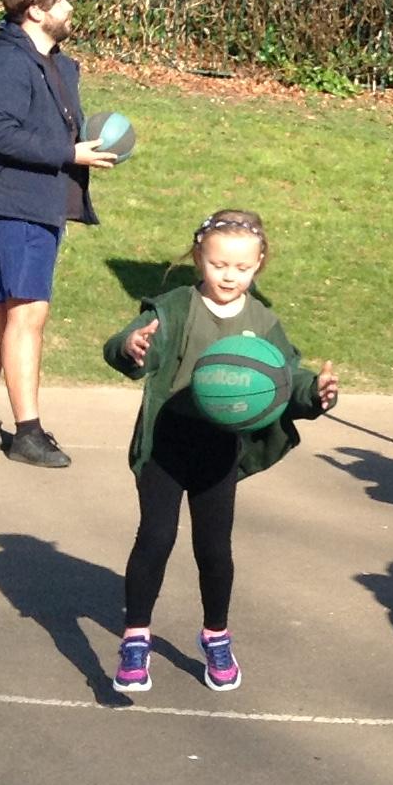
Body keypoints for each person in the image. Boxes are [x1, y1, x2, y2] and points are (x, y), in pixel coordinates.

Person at [103, 209, 338, 696]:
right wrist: (131, 346)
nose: (229, 276)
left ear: (259, 264)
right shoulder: (175, 307)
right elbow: (122, 345)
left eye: (242, 268)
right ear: (199, 258)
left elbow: (287, 378)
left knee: (213, 549)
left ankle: (216, 636)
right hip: (168, 442)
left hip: (219, 449)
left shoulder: (262, 322)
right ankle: (136, 638)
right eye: (218, 264)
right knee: (155, 538)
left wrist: (315, 393)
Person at [0, 0, 115, 467]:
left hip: (35, 202)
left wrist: (90, 144)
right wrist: (69, 153)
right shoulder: (8, 63)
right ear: (34, 11)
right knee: (27, 315)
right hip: (15, 203)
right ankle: (28, 433)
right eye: (60, 0)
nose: (68, 7)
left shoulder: (58, 65)